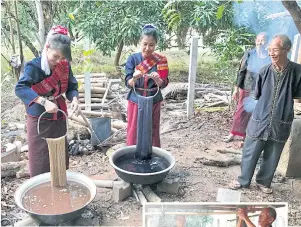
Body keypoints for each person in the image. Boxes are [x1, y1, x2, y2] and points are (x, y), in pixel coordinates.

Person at [229, 34, 301, 193]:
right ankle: (243, 180)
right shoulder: (264, 71)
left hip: (281, 119)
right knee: (250, 150)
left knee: (273, 152)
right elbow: (256, 95)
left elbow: (297, 96)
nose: (271, 53)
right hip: (260, 118)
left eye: (275, 50)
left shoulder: (297, 71)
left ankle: (263, 182)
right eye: (270, 50)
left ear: (286, 50)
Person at [15, 25, 79, 177]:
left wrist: (75, 98)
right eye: (55, 56)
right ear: (47, 47)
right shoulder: (34, 66)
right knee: (40, 158)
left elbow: (71, 86)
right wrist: (43, 102)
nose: (59, 61)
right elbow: (20, 88)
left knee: (60, 155)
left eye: (63, 57)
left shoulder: (64, 65)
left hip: (59, 115)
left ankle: (60, 187)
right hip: (39, 118)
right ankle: (40, 191)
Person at [125, 24, 169, 147]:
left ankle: (154, 159)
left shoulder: (161, 60)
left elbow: (164, 82)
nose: (147, 48)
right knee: (133, 130)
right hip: (135, 100)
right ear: (140, 42)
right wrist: (134, 78)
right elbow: (128, 82)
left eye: (151, 45)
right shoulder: (133, 59)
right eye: (145, 44)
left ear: (156, 45)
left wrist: (158, 81)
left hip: (154, 100)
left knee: (153, 131)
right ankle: (131, 158)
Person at [225, 33, 271, 143]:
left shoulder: (269, 57)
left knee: (255, 113)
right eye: (258, 40)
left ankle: (247, 136)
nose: (260, 42)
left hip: (261, 89)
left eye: (262, 40)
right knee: (241, 111)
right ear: (255, 41)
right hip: (246, 86)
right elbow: (241, 72)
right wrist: (236, 88)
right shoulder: (250, 54)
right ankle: (233, 133)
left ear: (267, 43)